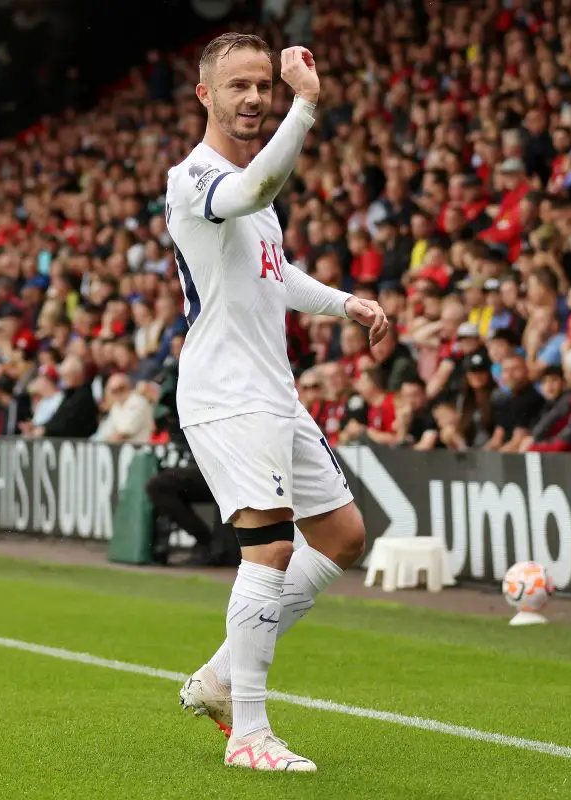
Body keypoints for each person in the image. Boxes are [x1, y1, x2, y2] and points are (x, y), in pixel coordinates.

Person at [165, 34, 388, 772]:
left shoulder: (253, 187)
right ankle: (250, 735)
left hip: (274, 392)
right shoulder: (195, 178)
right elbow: (257, 190)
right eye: (239, 86)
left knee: (344, 536)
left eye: (264, 85)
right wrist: (307, 104)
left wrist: (343, 303)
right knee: (271, 548)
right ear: (205, 95)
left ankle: (222, 676)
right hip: (226, 394)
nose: (255, 98)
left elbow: (275, 271)